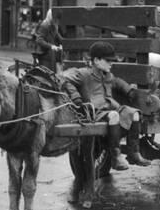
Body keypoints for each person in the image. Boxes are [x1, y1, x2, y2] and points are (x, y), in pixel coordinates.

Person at [62, 41, 153, 170]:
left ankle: (134, 153)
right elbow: (64, 79)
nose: (111, 63)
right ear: (96, 60)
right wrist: (76, 96)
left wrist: (129, 90)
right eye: (108, 60)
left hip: (111, 108)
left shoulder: (108, 76)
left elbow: (117, 82)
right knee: (114, 115)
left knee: (135, 114)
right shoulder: (84, 74)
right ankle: (116, 157)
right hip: (96, 111)